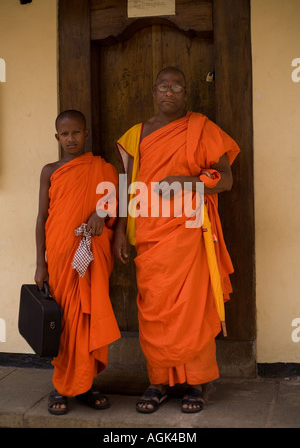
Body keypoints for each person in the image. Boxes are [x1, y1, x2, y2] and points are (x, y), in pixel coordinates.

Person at [114, 67, 240, 413]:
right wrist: (121, 231)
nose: (169, 93)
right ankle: (157, 382)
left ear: (186, 93)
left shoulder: (203, 129)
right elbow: (128, 187)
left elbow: (225, 180)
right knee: (155, 309)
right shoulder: (136, 135)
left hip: (190, 237)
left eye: (177, 88)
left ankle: (195, 384)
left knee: (192, 310)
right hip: (151, 237)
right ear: (153, 91)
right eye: (163, 87)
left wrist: (186, 182)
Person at [34, 109, 120, 415]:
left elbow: (117, 200)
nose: (71, 139)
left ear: (86, 134)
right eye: (65, 134)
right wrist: (40, 263)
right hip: (59, 253)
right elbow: (42, 217)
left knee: (88, 314)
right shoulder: (50, 170)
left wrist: (100, 213)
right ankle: (61, 386)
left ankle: (88, 384)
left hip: (91, 254)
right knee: (65, 320)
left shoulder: (101, 168)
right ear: (57, 137)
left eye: (76, 133)